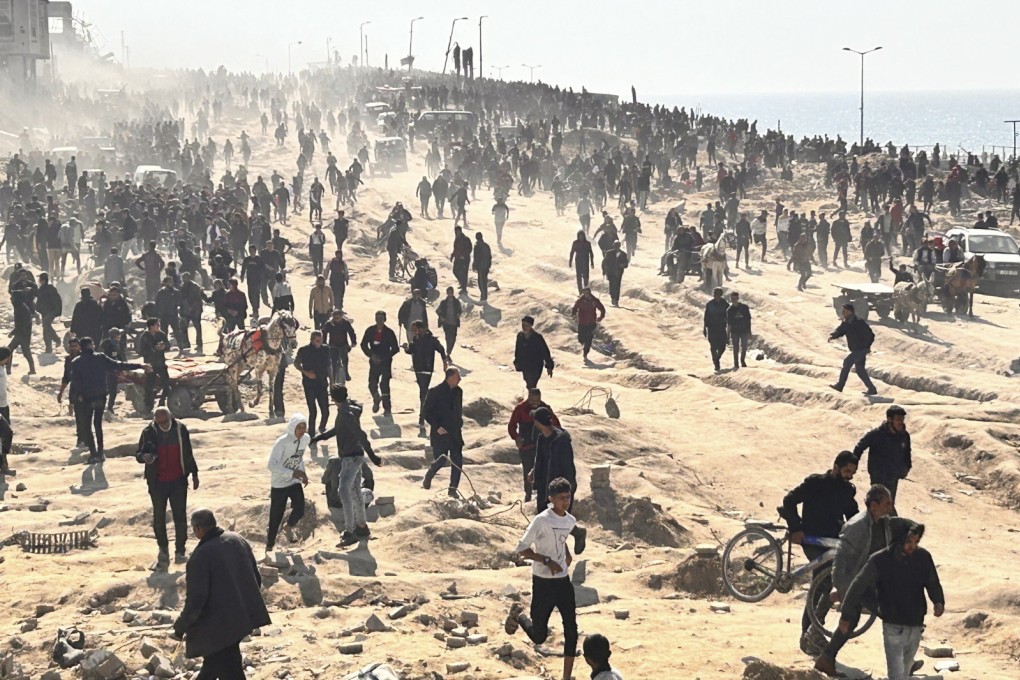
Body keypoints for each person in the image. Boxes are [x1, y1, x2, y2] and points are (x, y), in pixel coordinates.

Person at [815, 485, 904, 675]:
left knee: (856, 620)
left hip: (871, 581)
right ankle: (903, 662)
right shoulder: (856, 526)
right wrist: (843, 590)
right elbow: (841, 562)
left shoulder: (884, 522)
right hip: (856, 583)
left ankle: (826, 658)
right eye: (887, 503)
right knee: (888, 614)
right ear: (873, 505)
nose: (890, 507)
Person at [172, 509, 271, 680]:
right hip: (241, 617)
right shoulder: (236, 539)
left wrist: (180, 627)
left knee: (220, 666)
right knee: (222, 665)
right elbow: (255, 577)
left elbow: (196, 600)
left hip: (220, 626)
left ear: (198, 529)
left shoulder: (200, 556)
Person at [838, 522, 944, 680]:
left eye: (916, 542)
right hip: (893, 626)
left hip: (915, 625)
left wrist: (938, 601)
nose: (912, 546)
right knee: (896, 675)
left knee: (905, 672)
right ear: (898, 540)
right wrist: (847, 615)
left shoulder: (923, 557)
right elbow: (858, 587)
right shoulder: (880, 560)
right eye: (908, 542)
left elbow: (932, 582)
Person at [780, 450, 860, 656]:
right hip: (812, 539)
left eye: (853, 472)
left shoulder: (847, 491)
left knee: (822, 583)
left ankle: (809, 634)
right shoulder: (815, 483)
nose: (849, 475)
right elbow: (789, 501)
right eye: (847, 471)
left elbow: (853, 517)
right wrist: (796, 528)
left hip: (833, 541)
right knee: (823, 582)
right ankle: (811, 633)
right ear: (836, 466)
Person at [505, 477, 580, 680]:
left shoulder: (570, 520)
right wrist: (546, 560)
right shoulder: (541, 520)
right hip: (543, 582)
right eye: (562, 498)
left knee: (571, 629)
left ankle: (566, 677)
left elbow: (560, 537)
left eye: (568, 497)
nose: (566, 502)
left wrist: (566, 553)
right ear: (551, 498)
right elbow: (522, 549)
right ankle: (518, 614)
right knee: (539, 636)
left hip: (563, 581)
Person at [310, 385, 383, 547]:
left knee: (343, 491)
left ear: (333, 398)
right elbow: (339, 429)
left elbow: (360, 434)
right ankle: (362, 528)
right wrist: (319, 437)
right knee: (355, 492)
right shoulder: (346, 410)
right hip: (352, 458)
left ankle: (350, 531)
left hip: (351, 459)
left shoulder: (346, 413)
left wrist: (373, 457)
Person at [136, 407, 199, 567]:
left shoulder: (180, 429)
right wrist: (145, 457)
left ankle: (180, 551)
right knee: (158, 517)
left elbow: (188, 452)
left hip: (178, 481)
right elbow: (139, 454)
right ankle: (163, 549)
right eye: (159, 422)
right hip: (157, 482)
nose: (163, 425)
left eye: (165, 421)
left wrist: (194, 473)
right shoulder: (148, 432)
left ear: (171, 417)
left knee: (180, 516)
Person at [68, 336, 148, 462]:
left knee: (87, 426)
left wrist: (75, 397)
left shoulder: (76, 362)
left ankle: (93, 453)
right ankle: (100, 452)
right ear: (91, 345)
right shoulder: (100, 358)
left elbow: (75, 382)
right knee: (98, 424)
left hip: (86, 398)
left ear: (81, 347)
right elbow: (119, 365)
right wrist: (139, 365)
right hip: (100, 395)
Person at [266, 414, 310, 553]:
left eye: (304, 427)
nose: (302, 430)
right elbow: (271, 465)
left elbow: (299, 458)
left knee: (300, 508)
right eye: (299, 427)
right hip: (279, 483)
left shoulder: (306, 439)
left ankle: (288, 527)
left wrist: (303, 473)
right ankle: (270, 545)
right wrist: (291, 473)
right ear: (292, 427)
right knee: (276, 516)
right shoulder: (282, 442)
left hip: (294, 481)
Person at [508, 388, 560, 503]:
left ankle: (543, 493)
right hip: (526, 446)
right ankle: (528, 493)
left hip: (543, 446)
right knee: (527, 469)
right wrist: (516, 437)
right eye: (532, 400)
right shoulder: (520, 408)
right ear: (528, 397)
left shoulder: (545, 408)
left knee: (544, 469)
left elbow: (556, 424)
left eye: (537, 400)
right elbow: (512, 425)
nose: (535, 403)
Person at [852, 405, 911, 506]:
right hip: (878, 475)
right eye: (898, 419)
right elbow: (860, 447)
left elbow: (906, 452)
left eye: (902, 419)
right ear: (889, 419)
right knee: (877, 503)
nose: (901, 422)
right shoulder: (877, 434)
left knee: (889, 504)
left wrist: (907, 467)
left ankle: (885, 520)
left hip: (893, 475)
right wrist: (853, 463)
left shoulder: (904, 436)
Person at [421, 367, 465, 497]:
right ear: (449, 377)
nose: (460, 379)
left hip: (455, 433)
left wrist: (459, 422)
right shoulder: (435, 392)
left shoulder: (458, 392)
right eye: (457, 377)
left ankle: (452, 489)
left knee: (457, 461)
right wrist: (436, 426)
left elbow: (458, 410)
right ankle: (430, 474)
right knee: (441, 460)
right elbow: (426, 412)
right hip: (440, 432)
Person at [404, 320, 449, 426]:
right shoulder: (415, 339)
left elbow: (441, 349)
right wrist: (406, 348)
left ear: (421, 328)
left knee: (423, 391)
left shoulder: (431, 340)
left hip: (427, 369)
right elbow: (411, 350)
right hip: (418, 369)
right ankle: (424, 412)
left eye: (415, 329)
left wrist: (444, 361)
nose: (414, 331)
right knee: (423, 391)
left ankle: (422, 415)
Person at [828, 303, 878, 395]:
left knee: (847, 362)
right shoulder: (846, 322)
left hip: (861, 349)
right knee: (860, 370)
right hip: (856, 350)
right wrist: (833, 335)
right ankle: (872, 389)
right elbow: (840, 330)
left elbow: (870, 335)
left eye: (844, 311)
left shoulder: (859, 322)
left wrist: (866, 347)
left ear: (850, 312)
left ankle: (840, 385)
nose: (842, 313)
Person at [360, 310, 400, 416]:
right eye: (377, 318)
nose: (379, 321)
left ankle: (387, 408)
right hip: (373, 361)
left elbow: (395, 348)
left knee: (385, 385)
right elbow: (363, 344)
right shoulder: (370, 331)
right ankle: (376, 398)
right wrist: (371, 355)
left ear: (385, 319)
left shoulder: (389, 332)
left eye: (381, 318)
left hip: (385, 362)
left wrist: (385, 357)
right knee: (372, 384)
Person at [294, 331, 332, 435]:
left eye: (321, 340)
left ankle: (322, 427)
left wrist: (332, 383)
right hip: (309, 384)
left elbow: (329, 366)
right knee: (313, 411)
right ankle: (311, 434)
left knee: (325, 411)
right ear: (312, 340)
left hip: (322, 383)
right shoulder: (304, 350)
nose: (319, 342)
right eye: (317, 340)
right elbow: (296, 363)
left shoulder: (326, 349)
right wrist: (305, 372)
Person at [139, 318, 172, 413]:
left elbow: (168, 346)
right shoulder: (144, 337)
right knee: (149, 386)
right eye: (157, 325)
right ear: (151, 326)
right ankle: (148, 407)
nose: (159, 326)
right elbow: (142, 351)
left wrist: (163, 347)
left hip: (161, 363)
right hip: (150, 364)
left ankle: (162, 402)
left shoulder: (161, 334)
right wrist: (154, 349)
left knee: (167, 385)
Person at [514, 316, 554, 388]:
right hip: (525, 364)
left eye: (526, 325)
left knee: (532, 384)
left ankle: (532, 398)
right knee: (527, 382)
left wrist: (549, 366)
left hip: (536, 365)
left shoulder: (537, 337)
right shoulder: (520, 336)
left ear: (531, 326)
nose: (524, 327)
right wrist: (517, 362)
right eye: (523, 325)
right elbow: (518, 350)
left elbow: (545, 352)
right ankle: (532, 397)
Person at [571, 287, 606, 362]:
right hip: (582, 322)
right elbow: (574, 308)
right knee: (581, 338)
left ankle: (585, 352)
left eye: (587, 293)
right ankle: (583, 344)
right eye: (585, 293)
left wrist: (601, 316)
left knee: (589, 338)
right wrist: (573, 314)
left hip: (591, 323)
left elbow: (602, 308)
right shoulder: (580, 300)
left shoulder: (595, 300)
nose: (586, 294)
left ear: (590, 292)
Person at [322, 309, 356, 384]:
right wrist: (324, 344)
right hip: (332, 345)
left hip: (343, 345)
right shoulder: (329, 324)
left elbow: (351, 332)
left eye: (338, 317)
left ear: (341, 316)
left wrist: (353, 342)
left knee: (345, 359)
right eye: (335, 317)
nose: (336, 319)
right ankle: (332, 378)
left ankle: (346, 372)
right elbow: (324, 333)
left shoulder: (345, 323)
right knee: (333, 362)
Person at [179, 272, 206, 354]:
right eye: (183, 278)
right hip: (185, 310)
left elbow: (197, 298)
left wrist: (191, 307)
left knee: (197, 327)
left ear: (189, 278)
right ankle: (186, 344)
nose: (184, 280)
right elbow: (181, 298)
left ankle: (199, 344)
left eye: (185, 278)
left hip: (195, 310)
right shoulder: (182, 286)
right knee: (183, 327)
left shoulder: (195, 286)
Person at [704, 286, 729, 371]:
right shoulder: (709, 304)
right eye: (715, 294)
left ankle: (716, 358)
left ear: (721, 295)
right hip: (712, 328)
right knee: (713, 346)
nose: (716, 296)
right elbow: (706, 316)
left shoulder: (725, 304)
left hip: (721, 328)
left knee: (723, 347)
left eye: (718, 294)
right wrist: (704, 328)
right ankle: (716, 363)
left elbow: (729, 315)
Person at [35, 272, 61, 354]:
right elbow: (39, 300)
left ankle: (57, 339)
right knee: (46, 329)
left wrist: (56, 311)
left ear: (43, 280)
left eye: (40, 279)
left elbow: (57, 300)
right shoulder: (41, 289)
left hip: (51, 311)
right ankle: (48, 348)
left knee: (46, 324)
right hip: (44, 312)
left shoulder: (50, 288)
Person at [726, 291, 752, 369]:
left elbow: (748, 320)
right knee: (735, 348)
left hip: (744, 330)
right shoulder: (729, 310)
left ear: (738, 298)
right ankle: (736, 363)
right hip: (735, 332)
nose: (734, 300)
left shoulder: (744, 307)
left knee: (744, 347)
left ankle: (742, 360)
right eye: (732, 299)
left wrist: (749, 332)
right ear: (730, 299)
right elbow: (729, 324)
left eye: (735, 298)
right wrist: (728, 336)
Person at [601, 240, 629, 307]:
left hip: (619, 273)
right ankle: (612, 296)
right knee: (612, 285)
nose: (616, 247)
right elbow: (604, 262)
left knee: (617, 286)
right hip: (610, 272)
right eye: (615, 246)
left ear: (619, 246)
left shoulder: (623, 254)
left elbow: (626, 264)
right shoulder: (609, 253)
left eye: (617, 246)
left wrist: (623, 265)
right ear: (613, 246)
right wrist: (604, 270)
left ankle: (616, 300)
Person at [436, 287, 462, 357]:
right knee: (448, 337)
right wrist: (441, 317)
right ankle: (448, 352)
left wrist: (458, 315)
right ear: (447, 293)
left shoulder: (456, 302)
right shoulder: (443, 302)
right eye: (449, 292)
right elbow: (438, 310)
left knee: (453, 338)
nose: (450, 294)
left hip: (454, 323)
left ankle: (449, 351)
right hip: (446, 323)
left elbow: (460, 310)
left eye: (451, 292)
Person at [451, 226, 472, 294]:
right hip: (457, 258)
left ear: (460, 231)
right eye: (456, 232)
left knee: (464, 273)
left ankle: (464, 288)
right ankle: (462, 283)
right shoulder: (456, 239)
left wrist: (463, 255)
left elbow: (469, 249)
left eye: (458, 231)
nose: (457, 233)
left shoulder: (466, 239)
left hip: (465, 259)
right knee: (455, 271)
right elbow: (455, 249)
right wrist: (452, 255)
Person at [473, 232, 492, 302]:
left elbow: (477, 257)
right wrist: (489, 265)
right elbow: (490, 256)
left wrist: (475, 265)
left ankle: (483, 297)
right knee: (484, 281)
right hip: (486, 266)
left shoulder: (477, 246)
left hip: (481, 266)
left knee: (481, 282)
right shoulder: (486, 245)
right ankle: (484, 296)